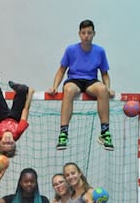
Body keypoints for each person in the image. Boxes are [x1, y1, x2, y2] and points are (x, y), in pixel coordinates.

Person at [48, 19, 115, 151]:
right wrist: (54, 86)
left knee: (101, 89)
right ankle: (63, 133)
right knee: (68, 90)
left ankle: (105, 133)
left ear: (94, 34)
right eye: (83, 33)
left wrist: (108, 88)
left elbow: (105, 74)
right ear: (79, 34)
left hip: (91, 81)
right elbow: (61, 70)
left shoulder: (100, 51)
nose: (86, 36)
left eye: (89, 33)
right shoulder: (71, 49)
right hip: (74, 80)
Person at [0, 78, 34, 157]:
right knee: (23, 89)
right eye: (10, 143)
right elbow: (25, 110)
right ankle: (17, 87)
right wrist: (30, 94)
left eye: (4, 143)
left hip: (1, 116)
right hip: (15, 117)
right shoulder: (18, 131)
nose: (7, 140)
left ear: (0, 142)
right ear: (14, 142)